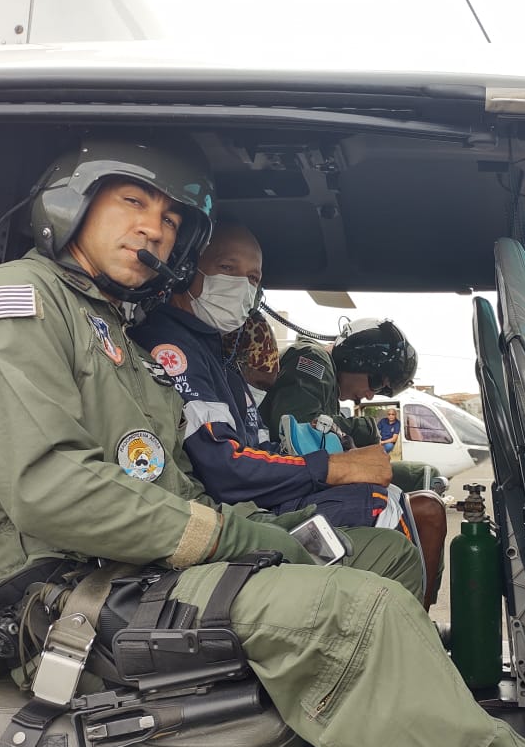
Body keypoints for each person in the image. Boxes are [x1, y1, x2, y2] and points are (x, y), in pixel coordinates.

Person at [0, 136, 525, 747]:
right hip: (72, 603)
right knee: (356, 611)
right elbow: (53, 493)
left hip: (139, 576)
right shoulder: (11, 306)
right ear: (71, 202)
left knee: (378, 558)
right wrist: (235, 535)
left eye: (172, 219)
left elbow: (166, 481)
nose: (154, 228)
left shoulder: (108, 330)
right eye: (132, 202)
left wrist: (264, 526)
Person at [129, 221, 439, 599]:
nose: (242, 286)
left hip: (249, 505)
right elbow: (225, 468)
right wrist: (331, 466)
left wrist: (337, 467)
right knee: (384, 512)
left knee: (386, 500)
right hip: (222, 520)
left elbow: (263, 445)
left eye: (253, 277)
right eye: (228, 268)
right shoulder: (171, 348)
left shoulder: (217, 358)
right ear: (186, 268)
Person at [259, 319, 442, 493]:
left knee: (423, 475)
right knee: (420, 476)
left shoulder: (327, 381)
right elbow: (294, 427)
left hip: (304, 477)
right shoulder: (314, 359)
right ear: (355, 359)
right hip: (286, 479)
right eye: (376, 384)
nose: (369, 396)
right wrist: (363, 429)